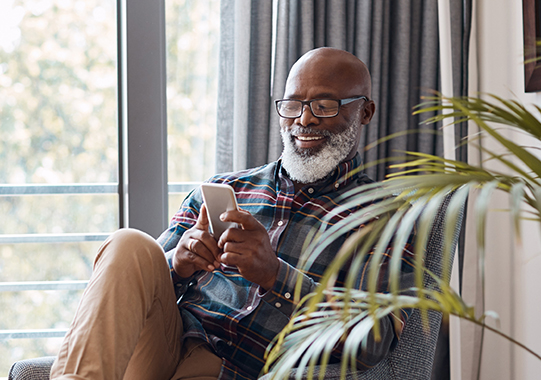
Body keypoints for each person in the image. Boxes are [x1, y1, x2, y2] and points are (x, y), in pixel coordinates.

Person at [50, 47, 415, 380]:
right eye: (293, 104)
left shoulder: (387, 218)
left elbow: (375, 342)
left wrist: (276, 275)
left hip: (244, 369)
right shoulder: (227, 187)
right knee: (128, 242)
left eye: (324, 105)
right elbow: (139, 282)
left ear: (364, 111)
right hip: (166, 346)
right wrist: (178, 263)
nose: (304, 119)